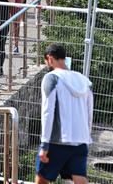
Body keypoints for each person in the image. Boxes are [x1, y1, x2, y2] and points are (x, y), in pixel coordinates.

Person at [36, 44, 94, 184]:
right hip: (80, 140)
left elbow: (47, 111)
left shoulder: (51, 78)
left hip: (57, 140)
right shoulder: (84, 80)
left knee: (42, 178)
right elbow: (89, 112)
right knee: (79, 178)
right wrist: (87, 136)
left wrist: (44, 144)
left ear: (49, 58)